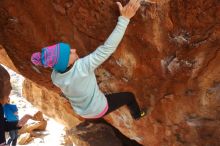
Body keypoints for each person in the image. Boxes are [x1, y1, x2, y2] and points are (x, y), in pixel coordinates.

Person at [31, 0, 146, 120]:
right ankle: (137, 115)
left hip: (82, 112)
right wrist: (124, 19)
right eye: (70, 52)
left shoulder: (55, 77)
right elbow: (107, 48)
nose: (74, 50)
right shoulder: (83, 67)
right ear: (67, 63)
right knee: (129, 97)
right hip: (99, 109)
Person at [0, 65, 19, 146]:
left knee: (15, 136)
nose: (11, 88)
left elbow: (2, 125)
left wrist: (19, 124)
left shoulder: (1, 107)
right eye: (7, 83)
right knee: (13, 137)